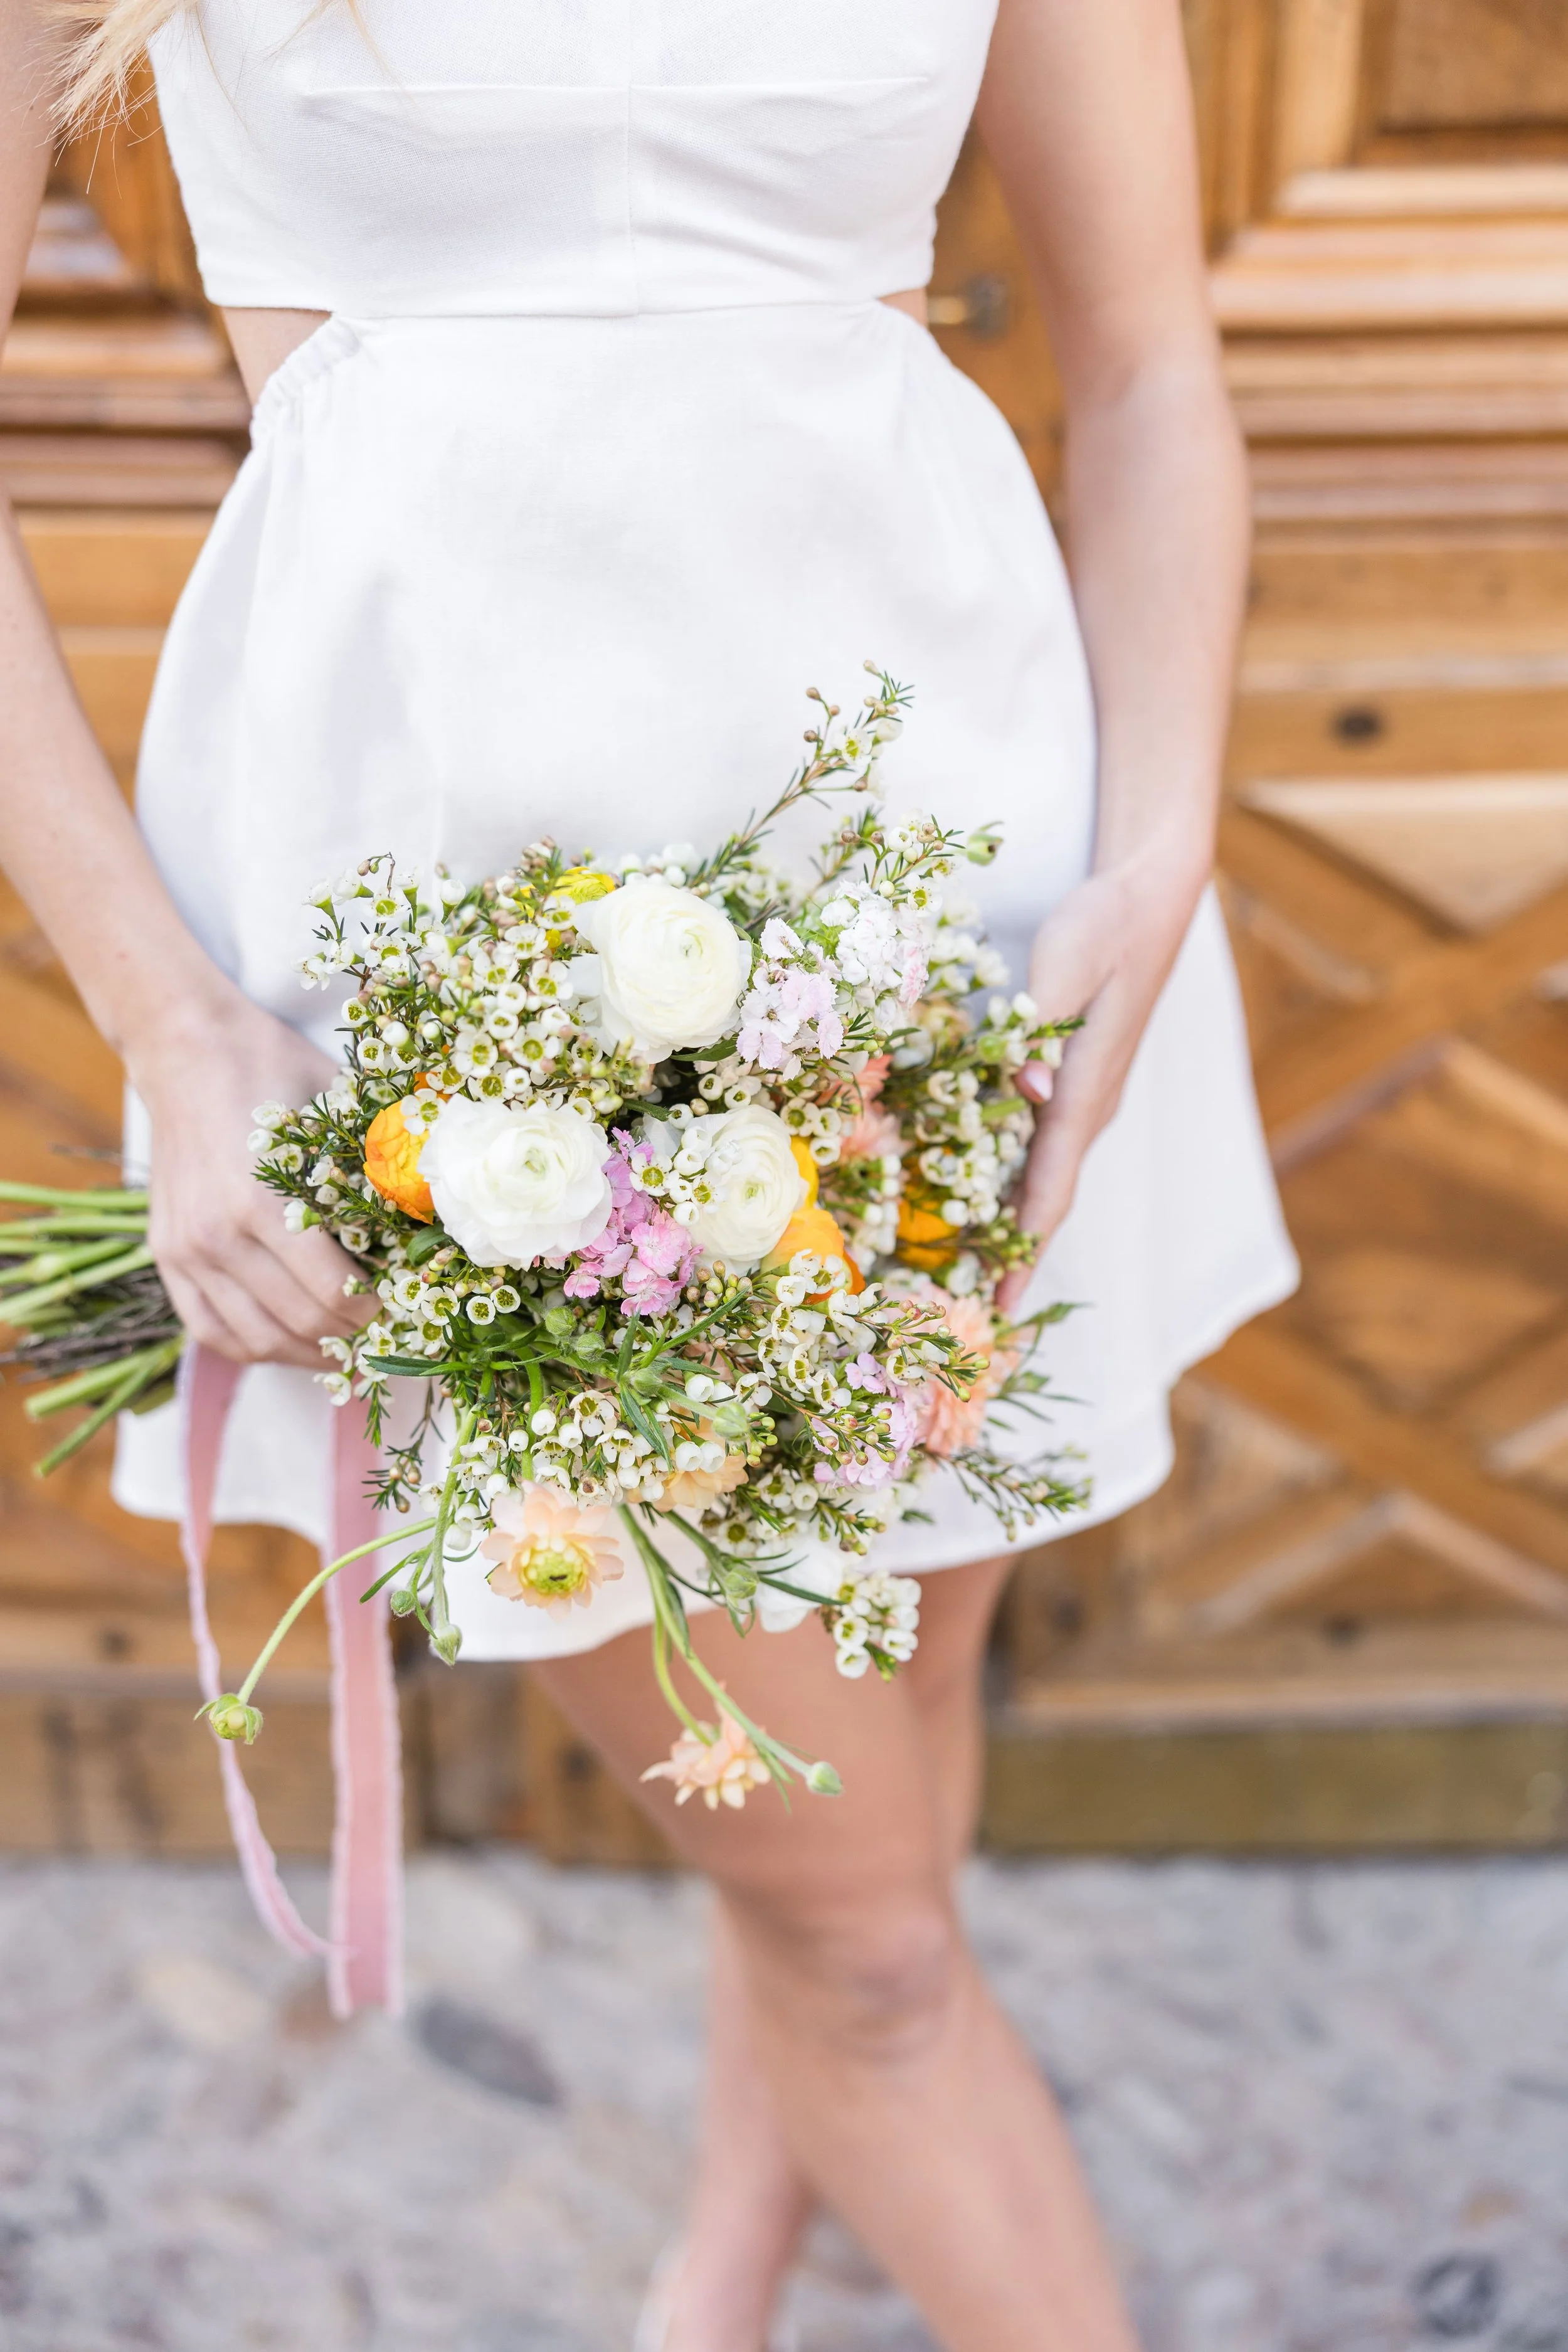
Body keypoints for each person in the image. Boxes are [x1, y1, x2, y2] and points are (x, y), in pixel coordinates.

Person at [0, 2, 1296, 2344]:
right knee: (872, 1923)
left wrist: (1157, 848)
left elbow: (1146, 371)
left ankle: (715, 2284)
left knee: (852, 1781)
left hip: (955, 898)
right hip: (436, 972)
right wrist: (174, 1027)